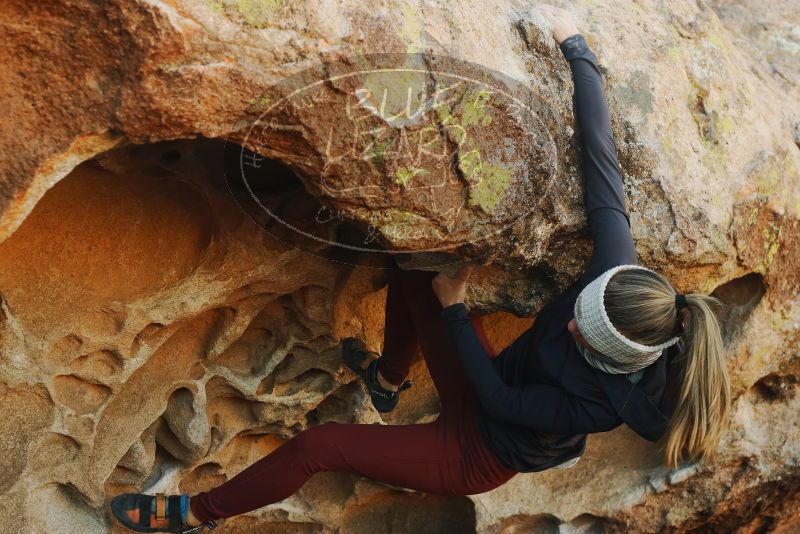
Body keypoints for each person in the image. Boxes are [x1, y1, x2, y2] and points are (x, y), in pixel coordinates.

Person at [110, 5, 732, 532]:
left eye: (584, 337)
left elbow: (498, 397)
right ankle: (386, 379)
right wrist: (579, 53)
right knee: (411, 264)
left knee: (321, 447)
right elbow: (602, 162)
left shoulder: (606, 404)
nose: (571, 325)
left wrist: (456, 306)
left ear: (616, 361)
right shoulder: (618, 272)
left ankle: (192, 513)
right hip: (483, 381)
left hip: (478, 446)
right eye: (583, 313)